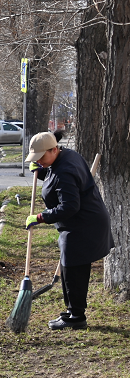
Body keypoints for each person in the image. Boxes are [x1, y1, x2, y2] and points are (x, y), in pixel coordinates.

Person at [24, 131, 114, 330]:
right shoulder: (66, 156)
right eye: (36, 159)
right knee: (69, 268)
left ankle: (76, 317)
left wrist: (41, 217)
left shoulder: (65, 169)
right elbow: (59, 181)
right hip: (81, 222)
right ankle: (72, 311)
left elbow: (69, 206)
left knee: (75, 271)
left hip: (83, 225)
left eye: (41, 157)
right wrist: (43, 172)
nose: (39, 161)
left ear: (54, 149)